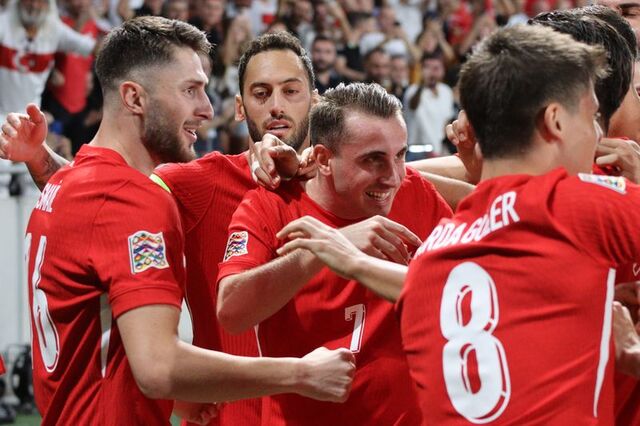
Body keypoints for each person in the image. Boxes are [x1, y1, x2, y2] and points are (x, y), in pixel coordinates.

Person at [0, 29, 471, 425]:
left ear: (316, 101)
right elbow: (107, 204)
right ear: (243, 107)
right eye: (261, 94)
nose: (276, 106)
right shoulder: (193, 185)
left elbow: (90, 195)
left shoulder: (387, 182)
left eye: (291, 91)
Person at [21, 16, 354, 425]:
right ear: (134, 98)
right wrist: (301, 374)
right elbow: (159, 367)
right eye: (190, 90)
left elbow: (105, 345)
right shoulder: (134, 198)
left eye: (291, 90)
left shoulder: (68, 185)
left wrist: (178, 399)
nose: (206, 109)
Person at [398, 24, 637, 423]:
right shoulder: (578, 205)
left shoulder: (426, 262)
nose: (598, 133)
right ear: (555, 121)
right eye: (592, 115)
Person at [216, 82, 453, 425]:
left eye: (400, 155)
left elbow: (467, 286)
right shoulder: (272, 206)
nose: (393, 177)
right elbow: (231, 312)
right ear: (324, 159)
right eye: (373, 160)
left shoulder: (416, 193)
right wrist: (324, 249)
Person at [0, 0, 95, 123]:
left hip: (29, 118)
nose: (34, 5)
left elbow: (91, 47)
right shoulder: (4, 23)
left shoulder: (53, 29)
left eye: (41, 1)